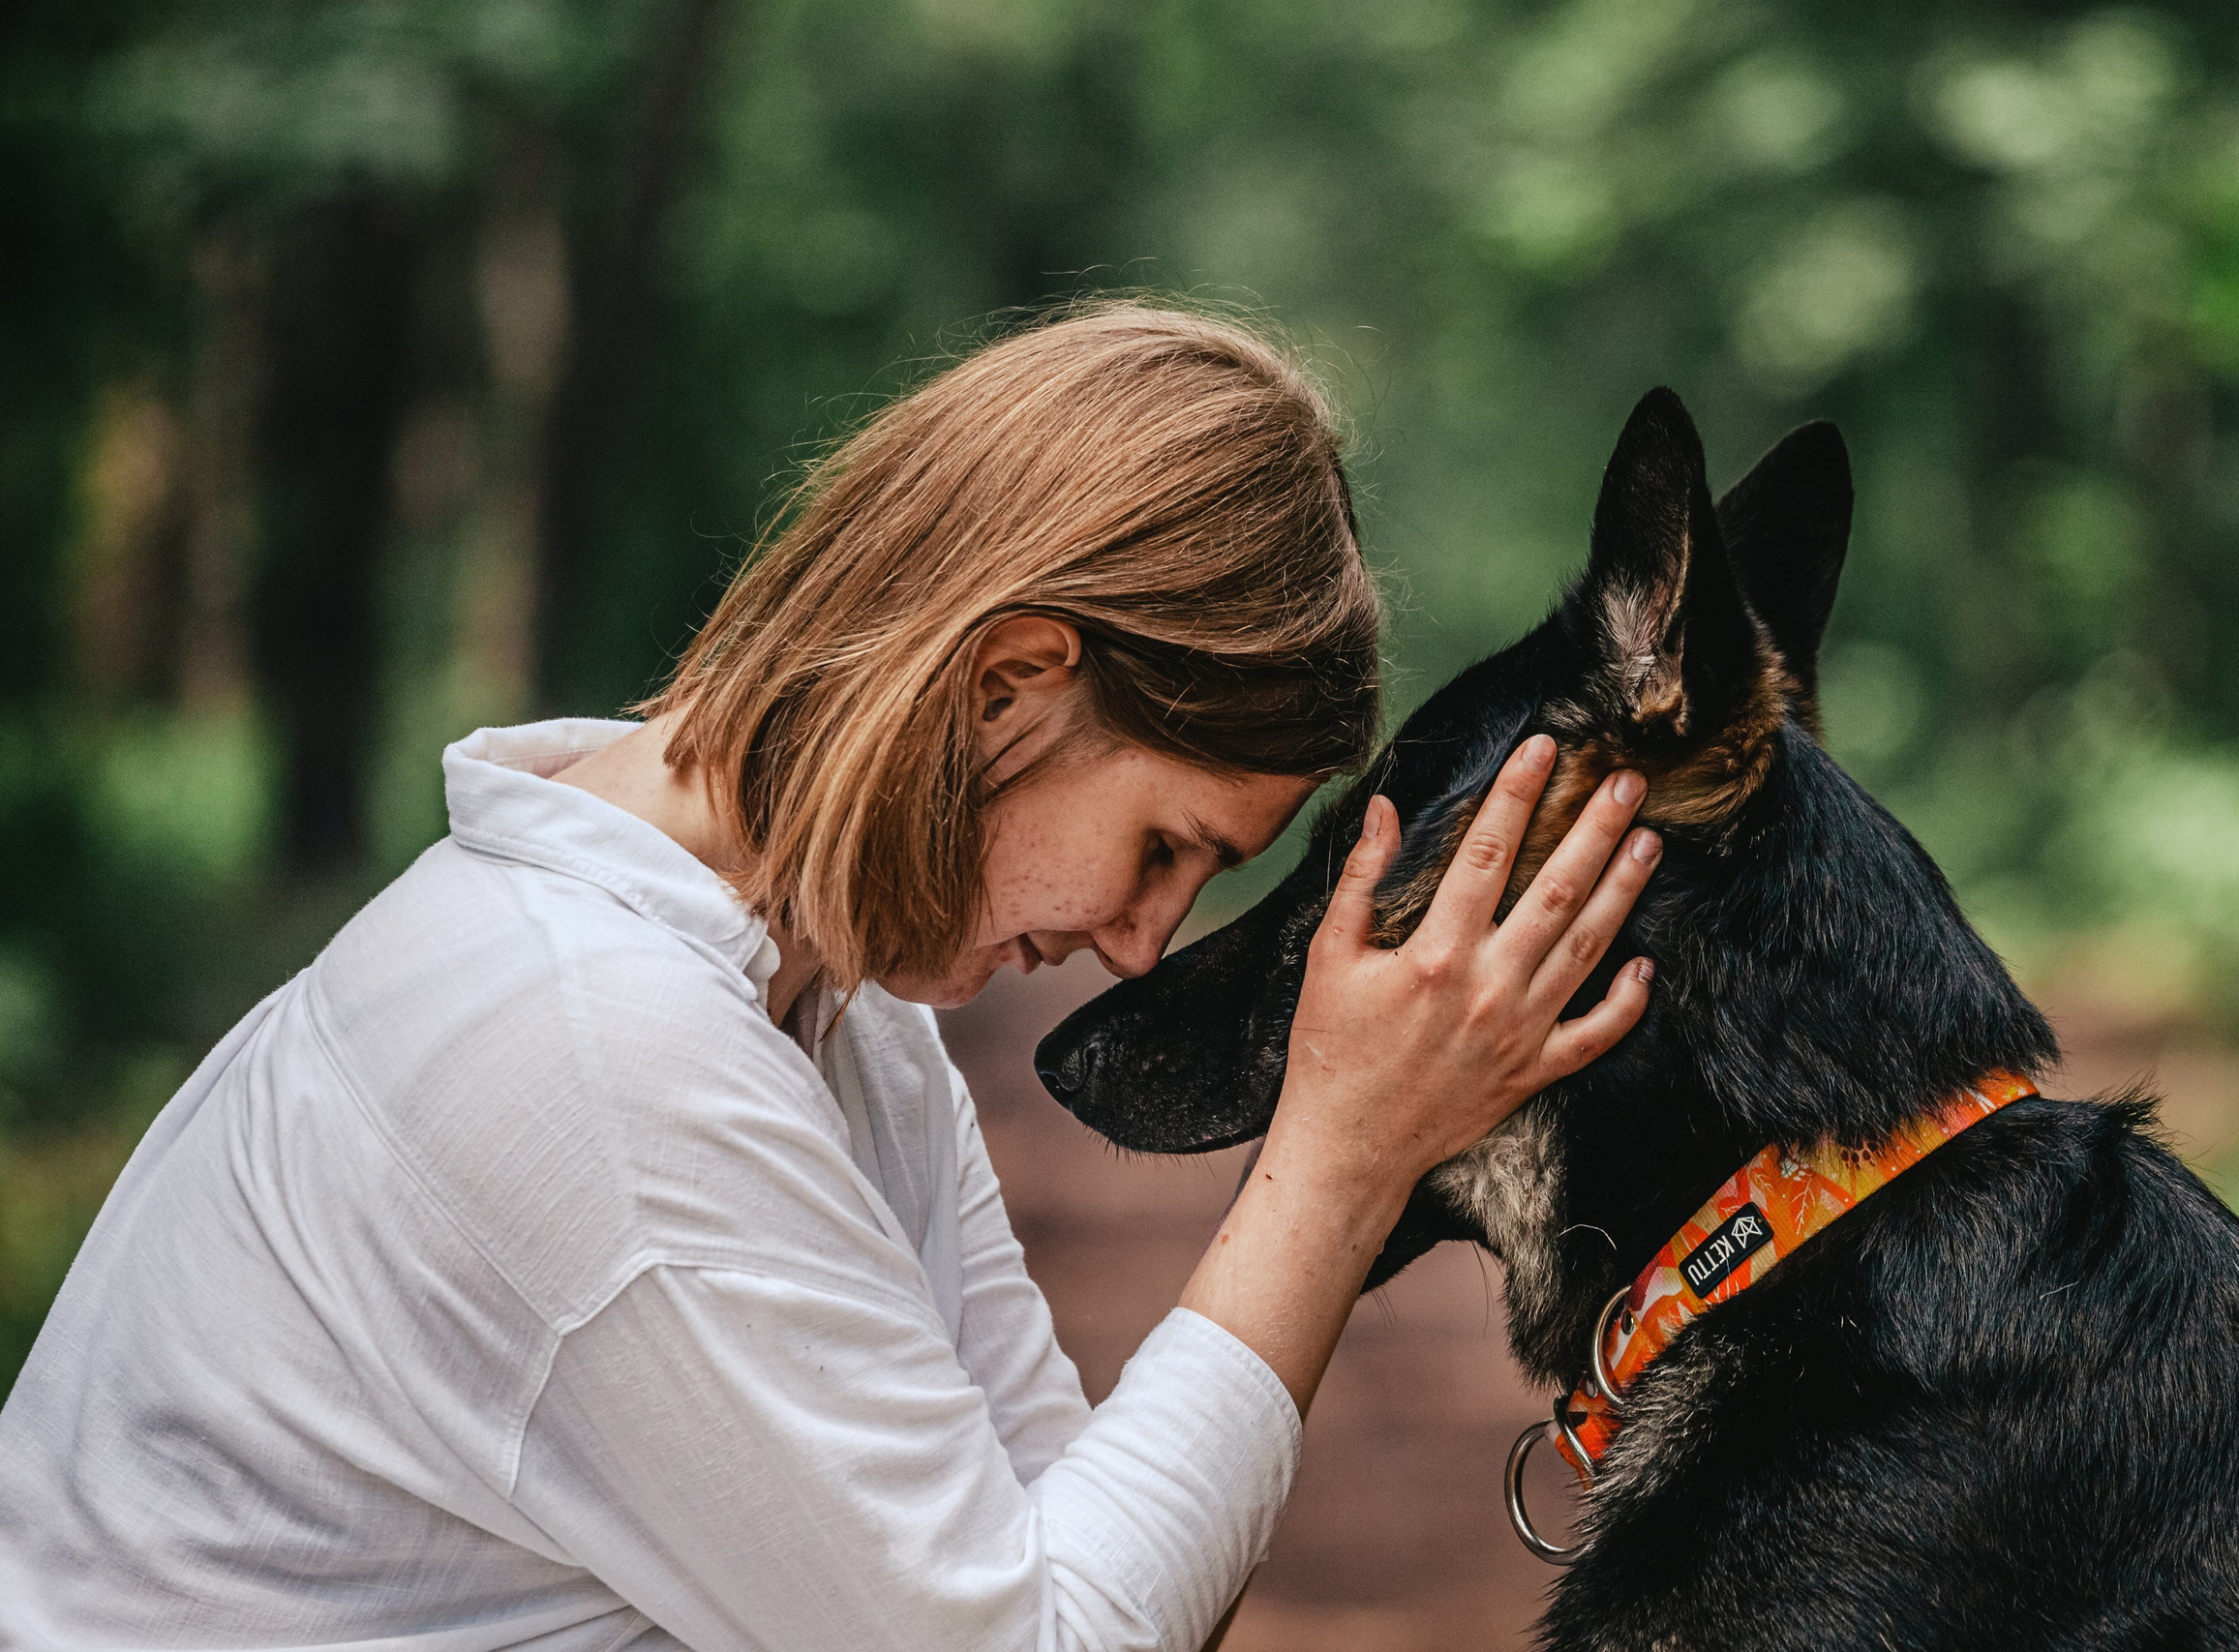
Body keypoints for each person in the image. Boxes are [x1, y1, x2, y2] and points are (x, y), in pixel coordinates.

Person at [0, 304, 1660, 1652]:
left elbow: (1114, 1558)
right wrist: (1345, 1157)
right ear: (1012, 682)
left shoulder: (832, 1029)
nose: (1142, 944)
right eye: (1164, 845)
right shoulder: (595, 1050)